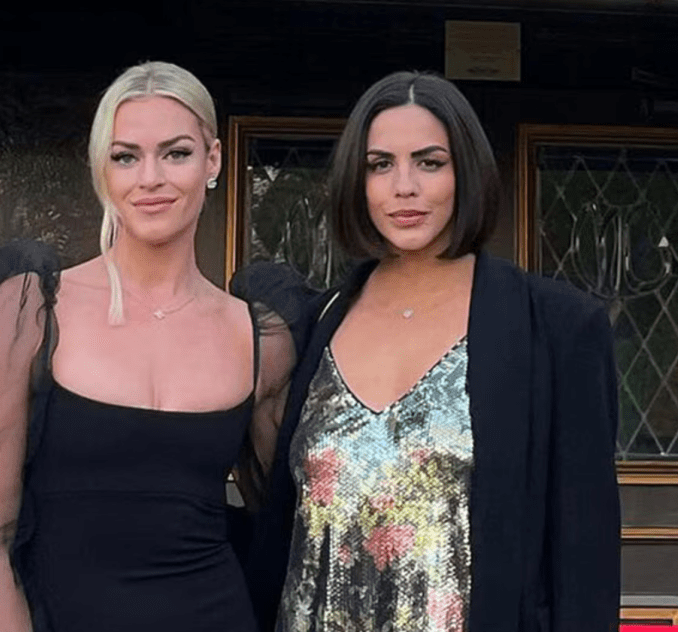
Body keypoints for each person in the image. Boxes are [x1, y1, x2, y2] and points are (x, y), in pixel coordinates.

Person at [234, 71, 621, 632]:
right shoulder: (315, 324)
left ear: (466, 172)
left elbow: (584, 562)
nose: (404, 186)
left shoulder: (559, 329)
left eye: (430, 162)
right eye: (380, 165)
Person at [0, 61, 295, 631]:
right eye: (126, 157)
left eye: (176, 153)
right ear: (102, 171)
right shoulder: (33, 314)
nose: (150, 178)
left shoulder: (258, 337)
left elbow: (285, 529)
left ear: (212, 161)